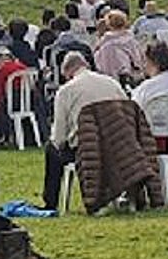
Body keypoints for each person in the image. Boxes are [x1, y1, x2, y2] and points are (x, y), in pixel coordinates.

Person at [42, 52, 127, 210]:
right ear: (86, 65)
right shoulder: (112, 83)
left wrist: (57, 143)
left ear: (67, 72)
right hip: (117, 145)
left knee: (51, 150)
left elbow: (59, 136)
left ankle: (50, 203)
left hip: (85, 149)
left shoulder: (66, 90)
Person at [93, 10, 145, 84]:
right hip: (132, 77)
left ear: (108, 24)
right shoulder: (131, 40)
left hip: (110, 78)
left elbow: (98, 62)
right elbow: (139, 59)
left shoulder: (105, 44)